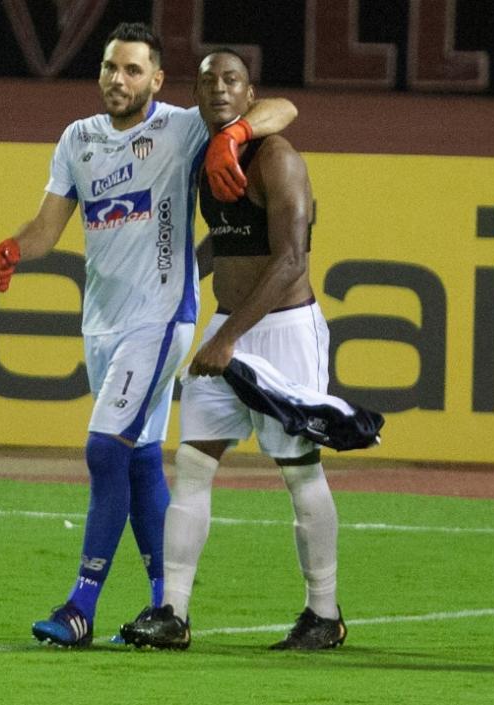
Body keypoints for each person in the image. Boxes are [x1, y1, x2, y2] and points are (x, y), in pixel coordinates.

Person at [0, 23, 297, 648]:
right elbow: (49, 227)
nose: (116, 80)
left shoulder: (180, 128)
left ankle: (80, 606)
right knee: (142, 459)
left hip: (160, 319)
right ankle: (164, 609)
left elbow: (283, 109)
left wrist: (234, 131)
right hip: (101, 321)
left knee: (104, 451)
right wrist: (14, 248)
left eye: (131, 70)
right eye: (108, 68)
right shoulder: (78, 139)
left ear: (156, 80)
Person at [118, 49, 347, 651]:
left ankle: (324, 613)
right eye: (208, 81)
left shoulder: (278, 159)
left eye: (232, 81)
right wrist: (184, 281)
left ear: (250, 95)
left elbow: (291, 259)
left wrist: (225, 337)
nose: (219, 89)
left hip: (284, 331)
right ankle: (172, 612)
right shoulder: (207, 156)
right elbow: (227, 241)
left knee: (298, 469)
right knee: (193, 464)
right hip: (229, 324)